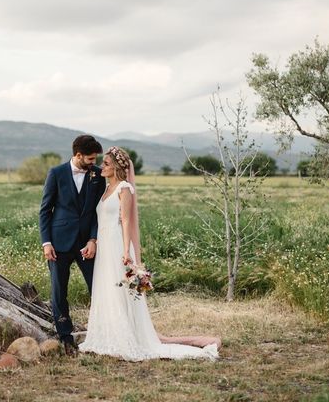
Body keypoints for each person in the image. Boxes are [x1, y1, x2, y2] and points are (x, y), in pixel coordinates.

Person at [79, 146, 221, 361]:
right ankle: (107, 336)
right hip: (104, 245)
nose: (102, 166)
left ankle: (127, 338)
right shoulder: (106, 188)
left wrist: (127, 251)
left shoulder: (124, 188)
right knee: (106, 289)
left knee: (120, 291)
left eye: (106, 163)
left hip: (117, 244)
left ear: (117, 166)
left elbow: (126, 221)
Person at [39, 135, 107, 355]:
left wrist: (93, 239)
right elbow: (45, 210)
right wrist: (46, 243)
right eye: (89, 158)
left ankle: (103, 331)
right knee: (59, 291)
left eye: (95, 158)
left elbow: (100, 211)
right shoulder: (56, 173)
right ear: (78, 155)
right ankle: (66, 336)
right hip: (59, 243)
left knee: (98, 287)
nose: (93, 162)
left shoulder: (98, 175)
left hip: (87, 243)